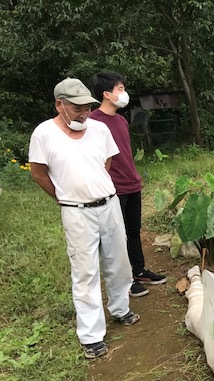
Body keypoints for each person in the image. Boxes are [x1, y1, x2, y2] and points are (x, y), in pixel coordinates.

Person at [29, 78, 140, 359]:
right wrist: (65, 195)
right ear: (60, 105)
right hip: (76, 211)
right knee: (85, 271)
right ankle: (91, 336)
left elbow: (107, 163)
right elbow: (38, 173)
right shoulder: (44, 134)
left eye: (86, 107)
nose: (83, 113)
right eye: (76, 107)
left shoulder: (99, 129)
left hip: (109, 204)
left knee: (119, 261)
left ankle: (120, 308)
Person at [89, 71, 166, 297]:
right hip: (113, 188)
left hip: (132, 184)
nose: (124, 94)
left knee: (133, 231)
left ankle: (139, 271)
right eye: (120, 90)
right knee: (116, 236)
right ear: (106, 94)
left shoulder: (121, 120)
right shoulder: (93, 122)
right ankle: (125, 281)